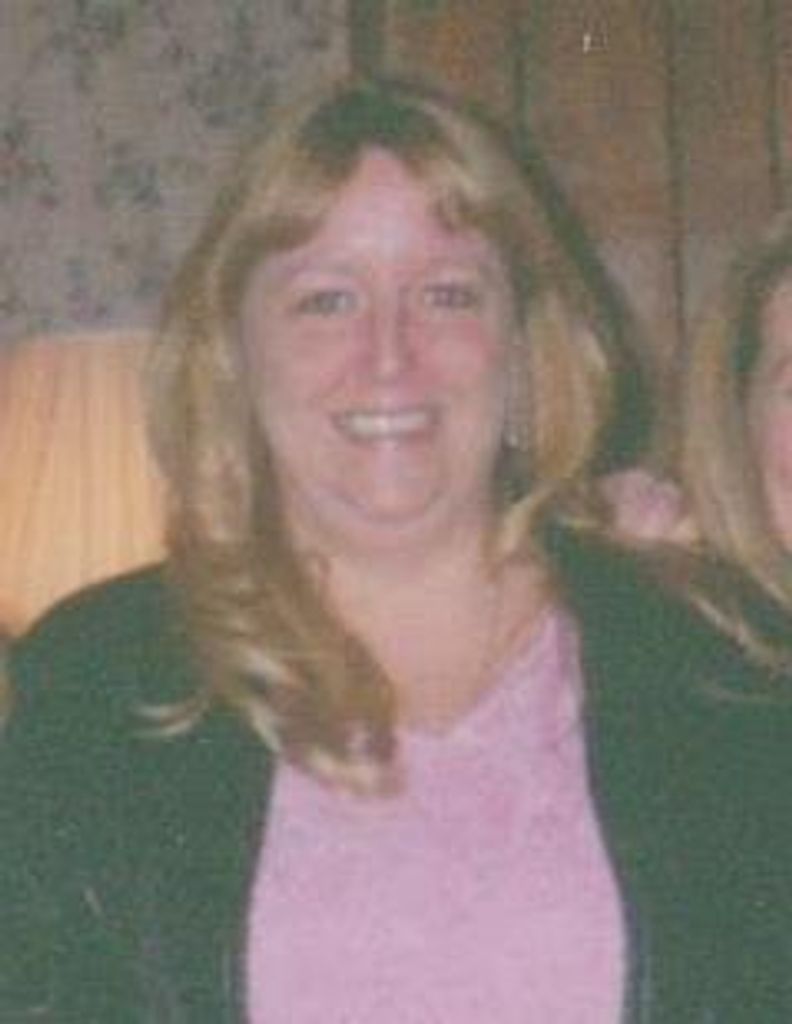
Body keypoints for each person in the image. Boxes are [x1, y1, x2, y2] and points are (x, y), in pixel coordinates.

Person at [2, 75, 791, 1023]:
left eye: (448, 294)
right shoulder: (100, 678)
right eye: (326, 300)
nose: (389, 355)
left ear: (525, 344)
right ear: (235, 353)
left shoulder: (715, 661)